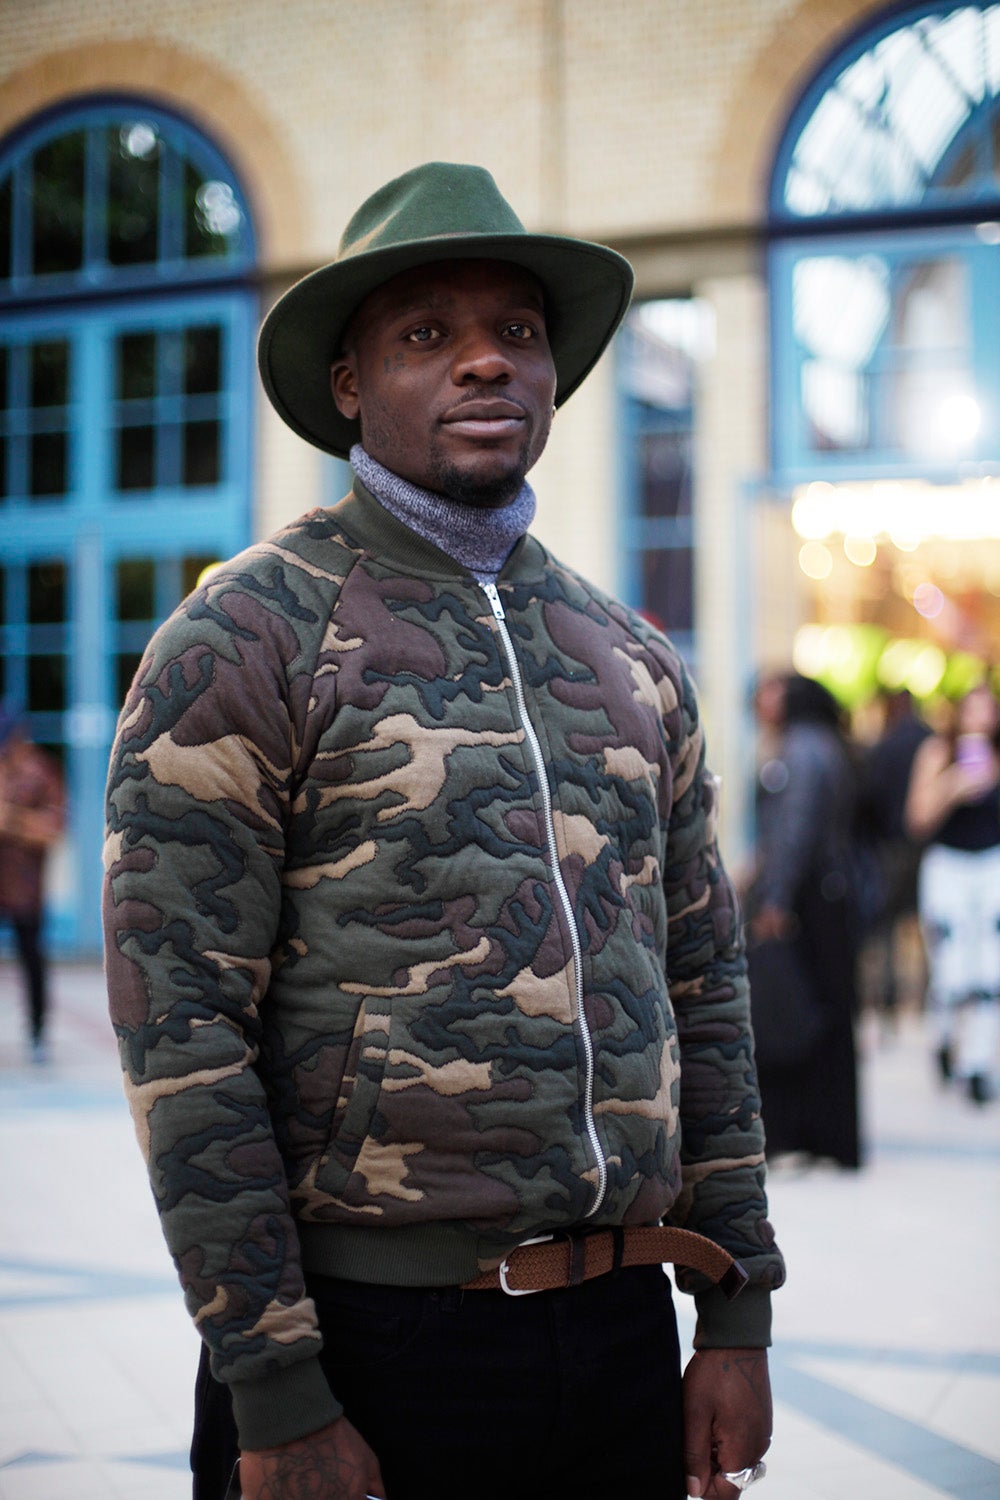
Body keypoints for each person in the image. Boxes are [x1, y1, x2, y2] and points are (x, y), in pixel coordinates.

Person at [103, 162, 784, 1500]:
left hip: (623, 1336)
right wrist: (276, 1384)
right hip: (370, 1339)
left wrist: (738, 1312)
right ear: (352, 381)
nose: (485, 362)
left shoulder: (630, 655)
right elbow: (181, 1031)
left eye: (516, 333)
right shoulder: (247, 634)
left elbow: (706, 990)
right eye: (430, 334)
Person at [745, 672, 862, 1170]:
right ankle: (832, 1136)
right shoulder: (822, 745)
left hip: (807, 902)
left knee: (796, 1013)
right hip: (827, 895)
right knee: (828, 1010)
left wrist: (773, 899)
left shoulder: (800, 750)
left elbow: (794, 831)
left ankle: (803, 1132)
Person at [905, 679, 1000, 1104]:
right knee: (951, 967)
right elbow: (917, 820)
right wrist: (953, 786)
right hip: (948, 866)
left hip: (991, 865)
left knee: (989, 968)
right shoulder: (937, 752)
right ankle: (943, 1035)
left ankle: (976, 1064)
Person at [857, 690, 930, 1026]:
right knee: (922, 923)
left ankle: (888, 996)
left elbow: (870, 794)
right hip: (924, 845)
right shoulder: (929, 740)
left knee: (887, 926)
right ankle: (923, 994)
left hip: (890, 844)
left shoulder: (885, 745)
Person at [0, 705, 65, 1063]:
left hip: (25, 888)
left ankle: (38, 1033)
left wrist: (11, 820)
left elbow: (54, 827)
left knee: (32, 961)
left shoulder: (41, 771)